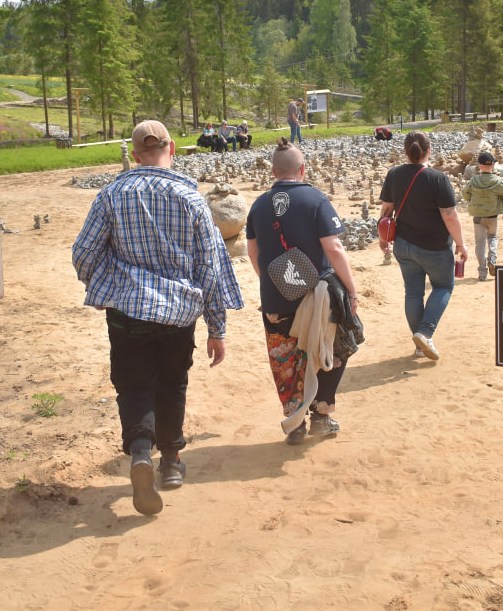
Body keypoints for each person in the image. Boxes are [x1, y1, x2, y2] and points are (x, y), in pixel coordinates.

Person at [72, 120, 243, 516]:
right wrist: (217, 328)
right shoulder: (192, 200)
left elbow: (83, 252)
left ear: (134, 156)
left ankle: (138, 455)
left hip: (126, 309)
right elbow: (211, 268)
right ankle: (170, 464)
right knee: (172, 383)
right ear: (173, 150)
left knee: (134, 386)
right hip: (178, 313)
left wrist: (98, 285)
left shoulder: (112, 194)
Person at [246, 137, 362, 444]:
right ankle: (321, 415)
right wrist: (351, 291)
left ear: (272, 172)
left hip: (275, 299)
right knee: (337, 344)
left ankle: (295, 423)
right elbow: (334, 248)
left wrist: (269, 282)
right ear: (303, 169)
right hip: (317, 296)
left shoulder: (258, 205)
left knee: (285, 359)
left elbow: (253, 251)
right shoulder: (316, 200)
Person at [377, 131, 467, 362]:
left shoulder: (394, 174)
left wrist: (383, 238)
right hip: (435, 247)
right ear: (429, 150)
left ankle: (419, 345)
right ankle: (425, 332)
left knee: (413, 293)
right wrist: (460, 243)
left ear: (406, 151)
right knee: (444, 286)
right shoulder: (438, 178)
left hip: (404, 246)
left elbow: (387, 210)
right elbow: (450, 216)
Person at [461, 150, 503, 282]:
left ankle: (482, 272)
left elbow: (465, 193)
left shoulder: (474, 180)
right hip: (492, 216)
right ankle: (492, 258)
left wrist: (472, 200)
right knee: (493, 237)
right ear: (494, 165)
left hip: (478, 216)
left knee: (479, 244)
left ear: (479, 166)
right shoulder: (498, 181)